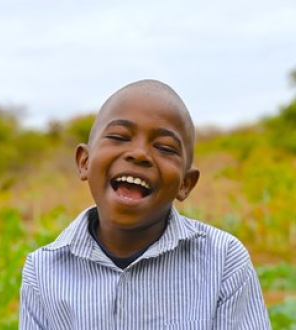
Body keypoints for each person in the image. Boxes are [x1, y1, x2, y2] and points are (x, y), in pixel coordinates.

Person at [19, 79, 271, 329]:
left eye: (165, 147)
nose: (139, 154)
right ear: (85, 162)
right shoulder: (42, 271)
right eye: (119, 136)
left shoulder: (223, 260)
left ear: (185, 183)